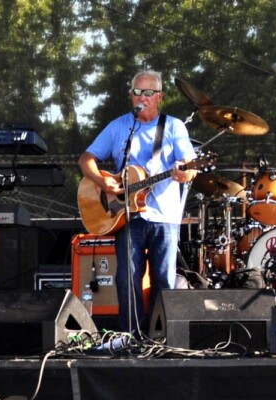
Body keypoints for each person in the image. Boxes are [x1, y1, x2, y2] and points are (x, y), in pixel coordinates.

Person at [79, 69, 198, 335]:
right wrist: (102, 182)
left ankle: (162, 337)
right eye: (136, 92)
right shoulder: (120, 126)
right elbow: (86, 159)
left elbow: (190, 168)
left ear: (160, 97)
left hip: (164, 217)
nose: (141, 97)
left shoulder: (174, 126)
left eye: (148, 92)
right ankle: (131, 338)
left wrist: (185, 171)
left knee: (164, 281)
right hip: (127, 216)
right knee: (126, 280)